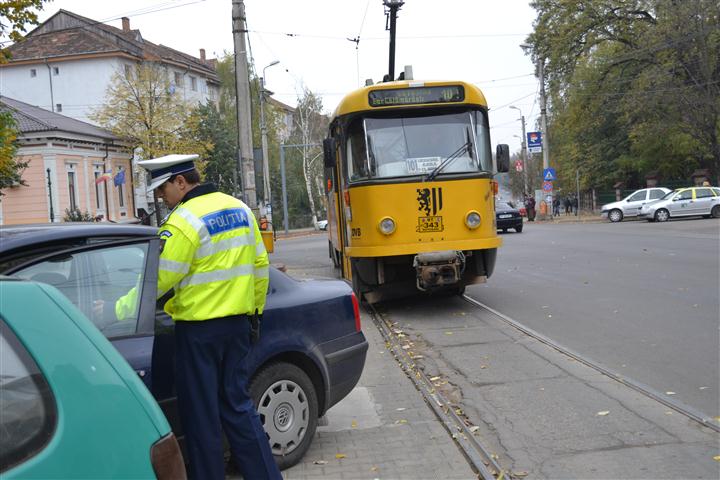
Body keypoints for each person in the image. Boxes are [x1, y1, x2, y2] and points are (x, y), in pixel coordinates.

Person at [133, 154, 281, 480]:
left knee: (202, 418)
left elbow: (157, 282)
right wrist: (254, 316)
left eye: (163, 189)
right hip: (238, 327)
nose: (161, 197)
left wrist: (120, 309)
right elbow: (260, 269)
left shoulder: (183, 221)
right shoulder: (240, 209)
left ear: (181, 182)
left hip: (198, 334)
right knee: (239, 408)